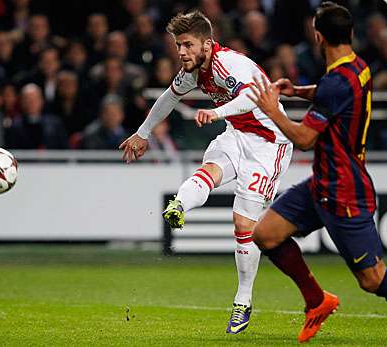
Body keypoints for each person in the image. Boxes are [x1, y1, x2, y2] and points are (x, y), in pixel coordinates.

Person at [247, 3, 387, 346]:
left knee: (372, 279)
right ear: (350, 34)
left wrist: (272, 111)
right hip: (323, 182)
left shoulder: (337, 80)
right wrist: (299, 91)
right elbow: (334, 94)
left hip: (344, 191)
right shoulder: (358, 67)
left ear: (318, 36)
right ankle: (317, 301)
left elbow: (305, 139)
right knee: (266, 234)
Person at [119, 10, 293, 334]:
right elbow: (168, 98)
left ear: (207, 44)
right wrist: (143, 133)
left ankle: (243, 299)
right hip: (237, 134)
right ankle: (179, 205)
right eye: (177, 45)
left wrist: (217, 112)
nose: (181, 52)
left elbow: (251, 97)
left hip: (270, 143)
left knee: (243, 223)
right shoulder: (193, 71)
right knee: (209, 170)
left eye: (187, 45)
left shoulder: (231, 65)